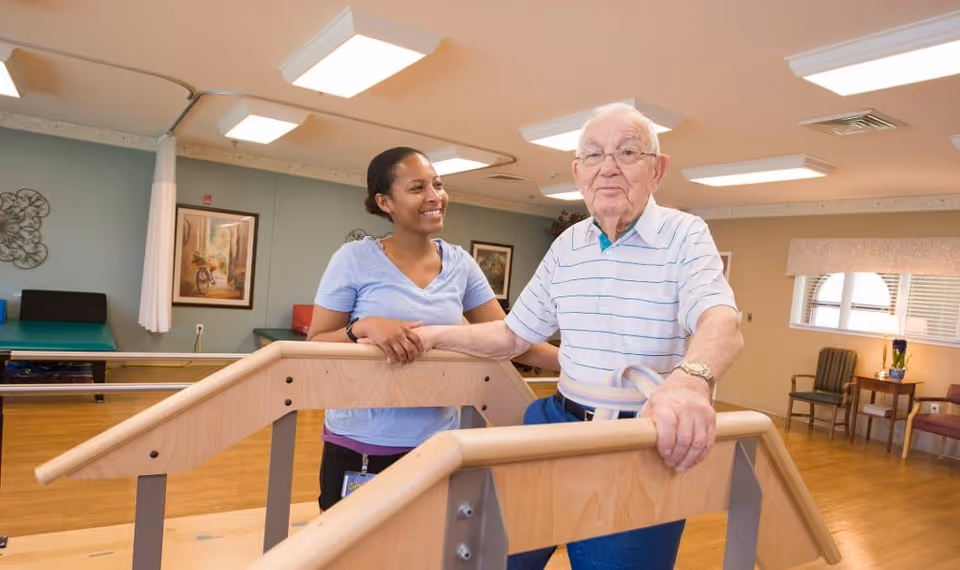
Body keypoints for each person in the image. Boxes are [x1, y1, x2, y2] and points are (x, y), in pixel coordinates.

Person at [409, 104, 744, 570]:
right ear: (577, 172)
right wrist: (430, 336)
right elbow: (511, 335)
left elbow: (721, 321)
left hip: (637, 442)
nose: (608, 167)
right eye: (593, 155)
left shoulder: (683, 235)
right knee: (499, 556)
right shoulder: (568, 245)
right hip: (556, 425)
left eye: (627, 152)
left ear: (657, 169)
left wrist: (691, 381)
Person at [306, 146, 560, 512]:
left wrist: (582, 365)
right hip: (359, 444)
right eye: (417, 188)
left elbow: (509, 338)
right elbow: (315, 342)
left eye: (438, 185)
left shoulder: (461, 264)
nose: (434, 197)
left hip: (435, 446)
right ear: (385, 201)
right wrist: (362, 326)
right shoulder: (354, 259)